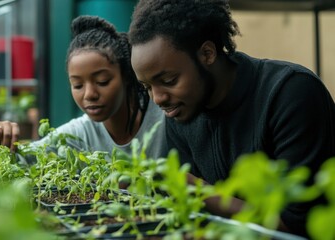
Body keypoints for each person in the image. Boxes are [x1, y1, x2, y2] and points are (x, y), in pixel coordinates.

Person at [128, 0, 335, 237]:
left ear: (207, 53)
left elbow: (300, 227)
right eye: (147, 87)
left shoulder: (291, 93)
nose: (157, 98)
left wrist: (197, 191)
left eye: (168, 81)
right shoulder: (180, 112)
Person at [0, 15, 168, 159]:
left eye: (102, 81)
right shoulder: (78, 134)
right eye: (78, 85)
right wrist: (3, 141)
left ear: (127, 76)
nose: (89, 94)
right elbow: (26, 158)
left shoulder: (166, 117)